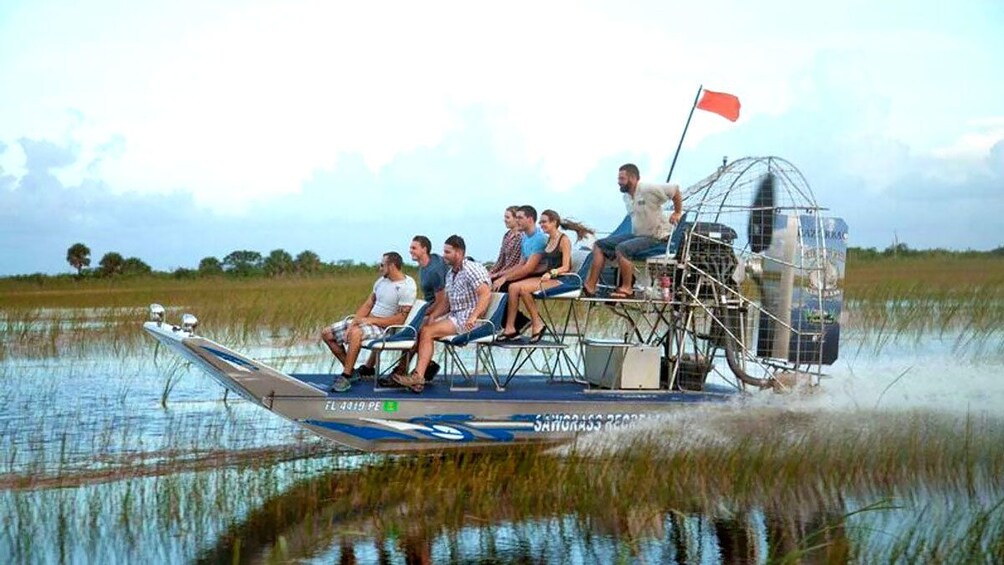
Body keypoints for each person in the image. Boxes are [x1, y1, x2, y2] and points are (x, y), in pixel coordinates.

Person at [393, 235, 491, 393]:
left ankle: (418, 376)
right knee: (421, 326)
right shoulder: (452, 273)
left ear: (459, 252)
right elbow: (446, 302)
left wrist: (474, 316)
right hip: (456, 316)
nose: (443, 255)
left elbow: (485, 294)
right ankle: (412, 372)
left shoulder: (472, 269)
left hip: (468, 320)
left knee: (427, 332)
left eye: (447, 252)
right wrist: (434, 315)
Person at [321, 252, 417, 392]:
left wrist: (370, 321)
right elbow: (368, 304)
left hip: (385, 327)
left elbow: (400, 319)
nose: (380, 268)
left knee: (356, 333)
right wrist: (355, 321)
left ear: (391, 266)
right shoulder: (381, 281)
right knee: (326, 333)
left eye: (382, 265)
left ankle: (346, 376)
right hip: (368, 323)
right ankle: (352, 372)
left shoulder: (407, 286)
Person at [583, 163, 683, 298]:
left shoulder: (647, 188)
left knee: (622, 249)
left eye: (622, 179)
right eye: (618, 179)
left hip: (656, 237)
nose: (619, 182)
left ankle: (627, 288)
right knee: (599, 245)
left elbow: (674, 189)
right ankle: (590, 286)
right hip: (638, 235)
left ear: (633, 178)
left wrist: (677, 212)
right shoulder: (627, 197)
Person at [499, 209, 594, 342]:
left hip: (562, 279)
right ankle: (510, 328)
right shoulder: (549, 240)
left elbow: (566, 266)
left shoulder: (563, 240)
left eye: (544, 222)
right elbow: (547, 263)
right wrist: (533, 271)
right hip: (548, 276)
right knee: (513, 287)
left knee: (524, 289)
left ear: (554, 222)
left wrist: (551, 273)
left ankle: (537, 324)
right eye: (541, 222)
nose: (541, 225)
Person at [487, 205, 523, 281]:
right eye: (505, 217)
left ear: (516, 219)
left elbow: (512, 262)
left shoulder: (521, 237)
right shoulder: (507, 235)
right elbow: (500, 260)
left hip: (512, 273)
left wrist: (497, 275)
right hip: (503, 272)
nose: (505, 220)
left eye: (507, 217)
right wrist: (489, 273)